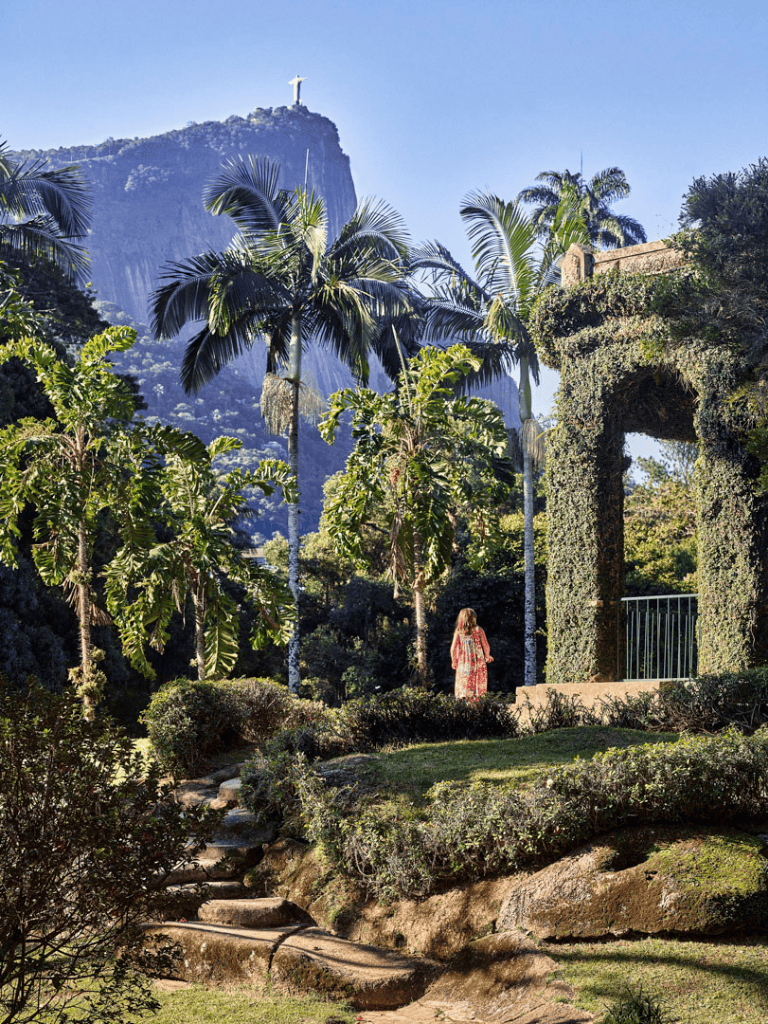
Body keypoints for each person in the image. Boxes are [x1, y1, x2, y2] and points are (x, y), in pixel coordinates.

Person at [450, 607, 493, 700]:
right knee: (477, 686)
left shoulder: (459, 631)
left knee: (464, 683)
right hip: (477, 662)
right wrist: (487, 655)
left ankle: (464, 700)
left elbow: (453, 648)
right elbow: (485, 644)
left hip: (463, 663)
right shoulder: (478, 630)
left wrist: (454, 661)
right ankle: (476, 703)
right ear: (473, 618)